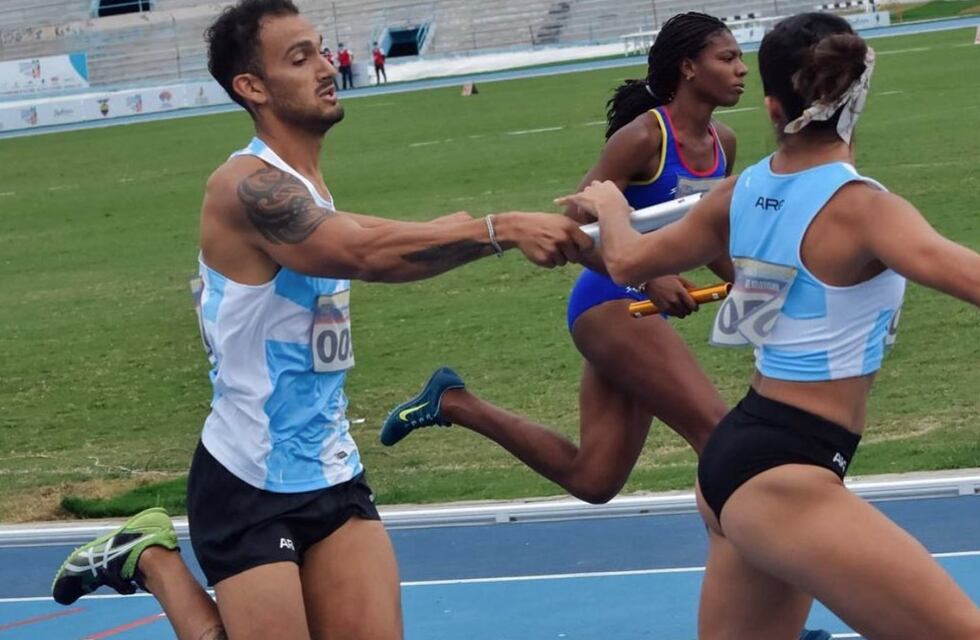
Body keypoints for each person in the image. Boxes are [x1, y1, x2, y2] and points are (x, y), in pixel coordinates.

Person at [49, 1, 589, 639]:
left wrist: (461, 229)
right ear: (252, 87)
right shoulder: (243, 186)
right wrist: (497, 229)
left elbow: (358, 231)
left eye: (322, 51)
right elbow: (359, 251)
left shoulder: (307, 191)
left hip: (330, 468)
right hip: (245, 476)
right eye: (299, 58)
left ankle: (152, 556)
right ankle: (153, 558)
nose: (326, 67)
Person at [561, 12, 980, 640]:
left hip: (741, 455)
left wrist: (611, 207)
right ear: (856, 96)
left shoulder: (738, 191)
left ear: (771, 105)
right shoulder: (867, 209)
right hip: (788, 475)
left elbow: (623, 260)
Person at [381, 12, 745, 505]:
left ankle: (453, 402)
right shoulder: (642, 138)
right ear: (688, 68)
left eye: (740, 57)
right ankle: (757, 563)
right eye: (728, 58)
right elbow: (571, 229)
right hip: (609, 302)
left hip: (638, 306)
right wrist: (649, 275)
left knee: (594, 479)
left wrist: (757, 284)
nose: (742, 68)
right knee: (718, 437)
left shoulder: (724, 143)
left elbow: (711, 238)